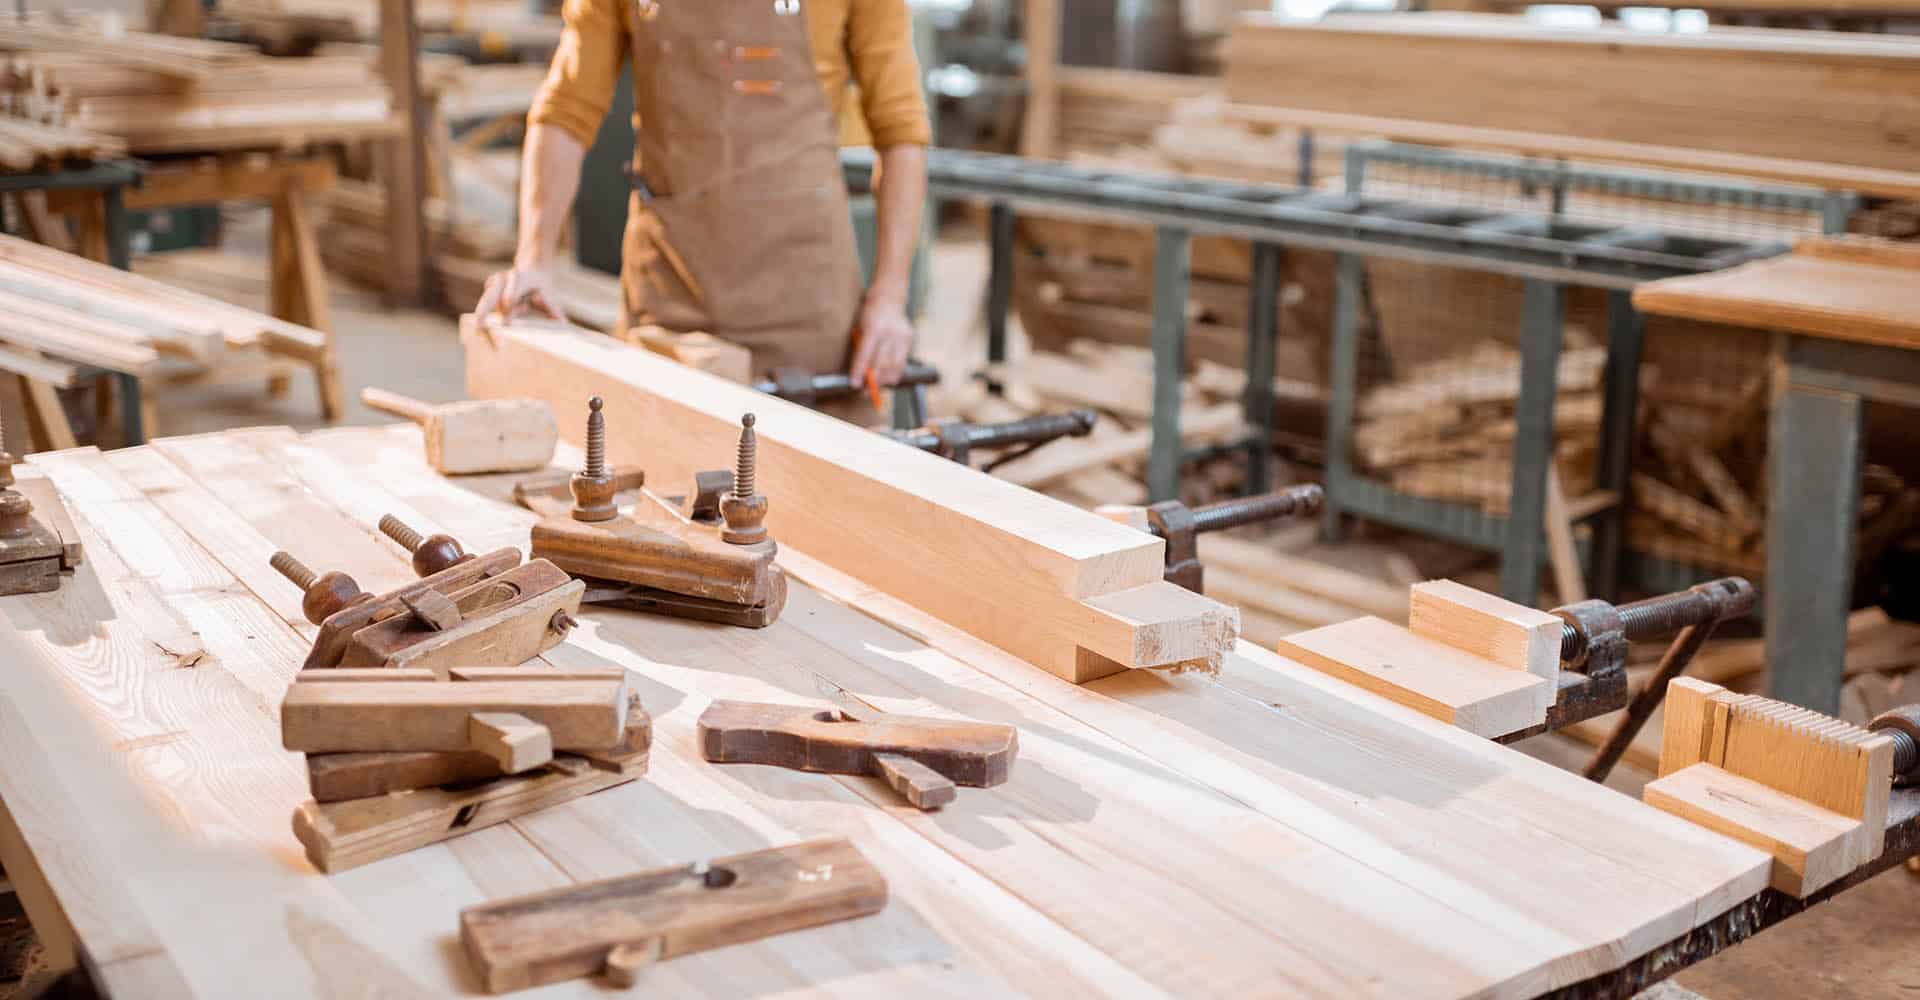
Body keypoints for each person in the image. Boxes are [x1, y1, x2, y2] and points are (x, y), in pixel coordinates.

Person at [476, 0, 930, 390]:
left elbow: (900, 129)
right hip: (669, 295)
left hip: (805, 302)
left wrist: (889, 297)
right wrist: (534, 259)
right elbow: (565, 111)